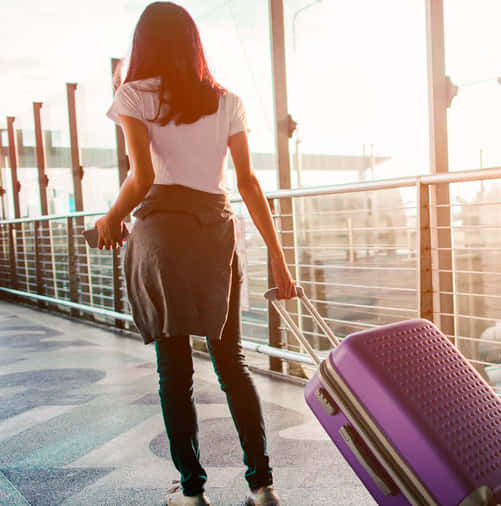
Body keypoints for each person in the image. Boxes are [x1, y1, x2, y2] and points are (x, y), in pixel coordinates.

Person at [96, 2, 295, 505]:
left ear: (143, 44)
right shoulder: (226, 100)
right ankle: (262, 486)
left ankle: (191, 493)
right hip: (215, 235)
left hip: (163, 236)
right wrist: (278, 257)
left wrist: (109, 218)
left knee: (175, 371)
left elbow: (141, 178)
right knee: (232, 364)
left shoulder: (132, 95)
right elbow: (247, 183)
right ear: (193, 43)